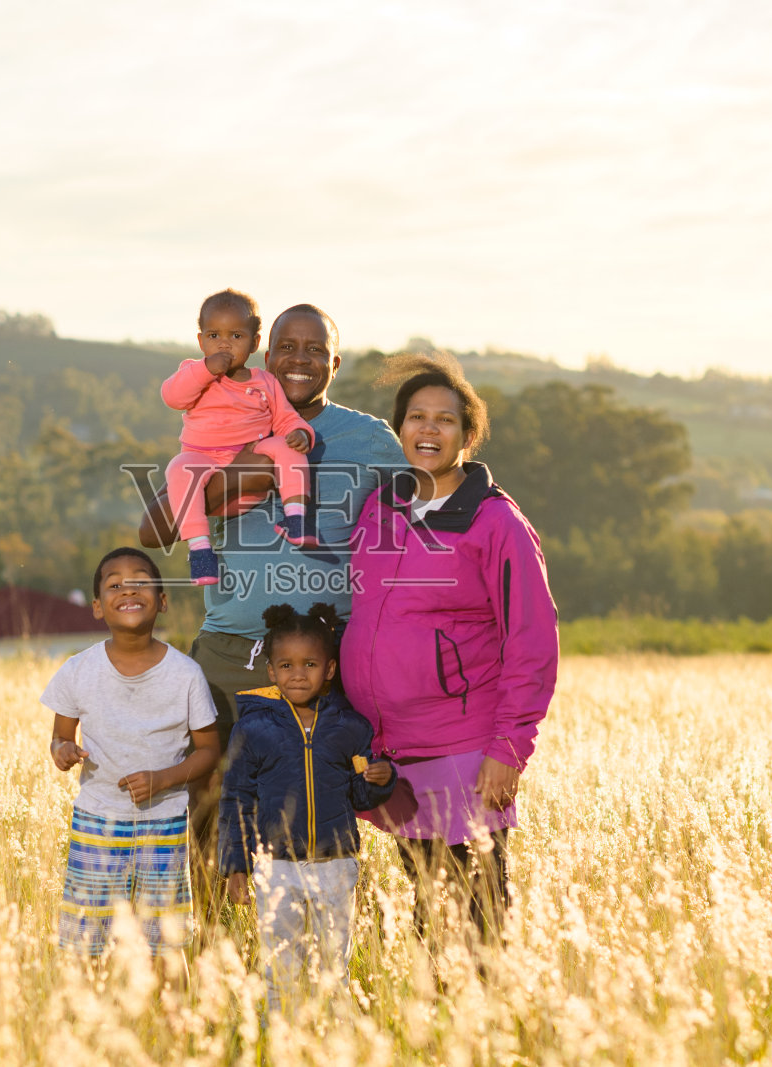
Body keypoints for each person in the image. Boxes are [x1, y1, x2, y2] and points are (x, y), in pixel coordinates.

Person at [138, 304, 405, 914]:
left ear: (335, 363)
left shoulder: (369, 440)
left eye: (316, 350)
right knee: (209, 808)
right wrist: (243, 474)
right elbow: (153, 528)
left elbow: (413, 530)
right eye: (288, 347)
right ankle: (213, 957)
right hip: (228, 654)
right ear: (265, 356)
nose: (300, 360)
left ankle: (308, 955)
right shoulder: (224, 417)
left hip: (323, 663)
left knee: (315, 812)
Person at [340, 354, 559, 942]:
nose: (428, 430)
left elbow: (532, 643)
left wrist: (509, 747)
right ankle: (437, 1027)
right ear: (400, 429)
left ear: (468, 435)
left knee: (477, 912)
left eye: (445, 420)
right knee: (428, 910)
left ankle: (489, 1028)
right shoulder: (379, 508)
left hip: (464, 750)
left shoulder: (497, 524)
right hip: (393, 751)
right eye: (416, 417)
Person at [43, 547, 222, 970]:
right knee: (87, 943)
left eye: (141, 581)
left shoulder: (185, 675)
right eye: (115, 584)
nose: (129, 590)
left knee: (164, 944)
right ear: (97, 606)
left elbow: (210, 751)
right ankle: (94, 1023)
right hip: (96, 823)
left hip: (164, 826)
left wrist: (163, 779)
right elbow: (58, 738)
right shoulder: (77, 670)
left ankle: (169, 1028)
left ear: (163, 600)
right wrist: (63, 751)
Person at [218, 602, 395, 1011]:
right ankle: (280, 1046)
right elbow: (236, 799)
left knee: (335, 973)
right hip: (276, 869)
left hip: (336, 866)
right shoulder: (253, 729)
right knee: (281, 975)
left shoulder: (350, 727)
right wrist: (236, 865)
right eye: (286, 665)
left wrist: (382, 783)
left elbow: (360, 796)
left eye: (310, 663)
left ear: (330, 670)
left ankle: (338, 1049)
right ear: (271, 671)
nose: (298, 674)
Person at [161, 289, 317, 585]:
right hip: (206, 470)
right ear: (200, 341)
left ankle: (295, 517)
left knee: (288, 447)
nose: (224, 344)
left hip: (253, 471)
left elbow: (285, 418)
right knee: (179, 468)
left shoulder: (266, 381)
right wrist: (205, 370)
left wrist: (300, 433)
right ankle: (200, 551)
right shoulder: (194, 373)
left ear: (255, 342)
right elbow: (172, 396)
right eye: (214, 336)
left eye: (236, 336)